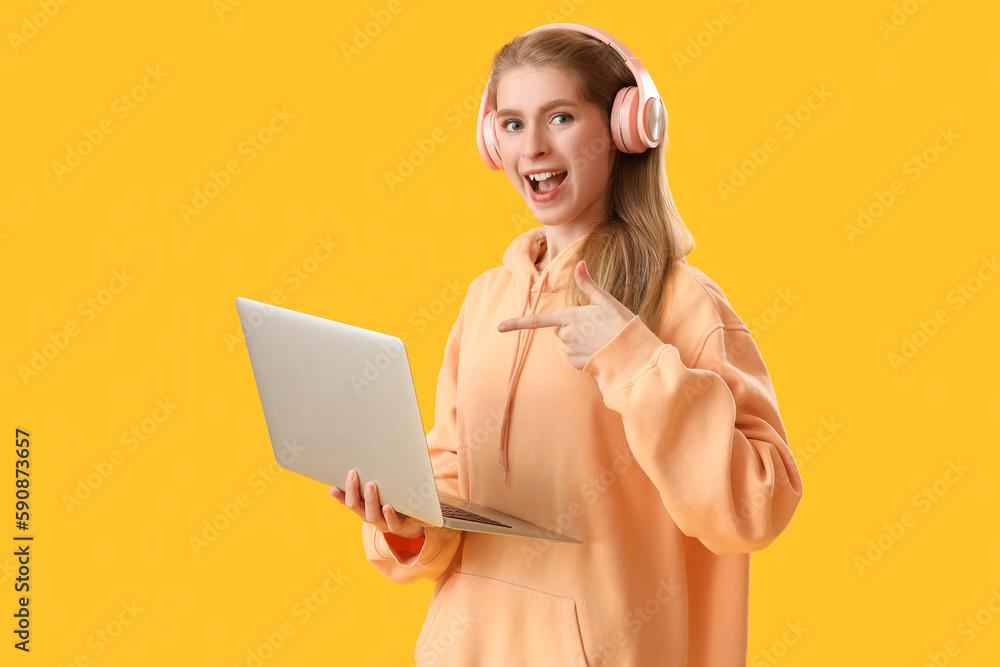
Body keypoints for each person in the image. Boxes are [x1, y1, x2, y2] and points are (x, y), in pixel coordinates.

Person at [329, 22, 803, 666]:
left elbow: (755, 506)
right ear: (491, 141)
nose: (533, 148)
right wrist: (405, 523)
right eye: (513, 123)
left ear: (624, 128)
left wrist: (634, 360)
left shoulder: (681, 302)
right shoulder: (484, 300)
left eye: (560, 117)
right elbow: (453, 480)